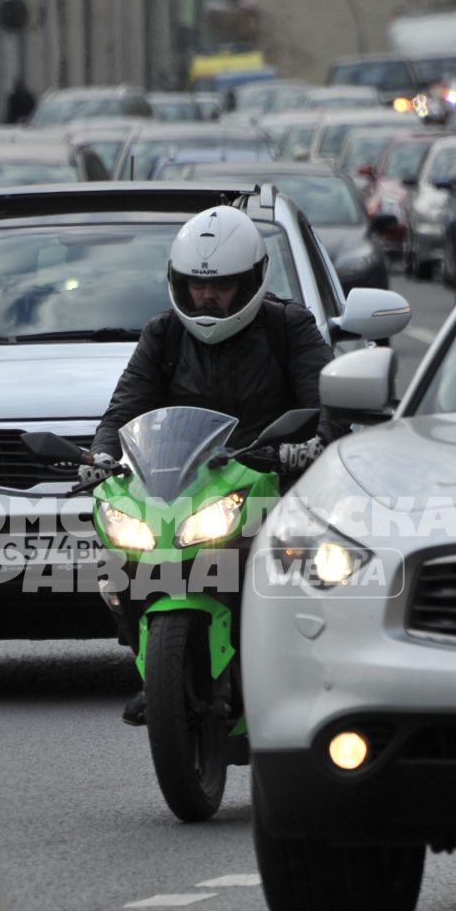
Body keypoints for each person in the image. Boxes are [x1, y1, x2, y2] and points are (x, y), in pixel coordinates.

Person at [87, 205, 335, 725]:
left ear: (251, 282)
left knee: (312, 569)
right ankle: (158, 674)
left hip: (272, 481)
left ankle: (319, 669)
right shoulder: (163, 335)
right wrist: (102, 455)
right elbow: (124, 409)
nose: (206, 297)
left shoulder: (288, 328)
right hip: (188, 483)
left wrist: (307, 447)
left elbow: (328, 409)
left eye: (221, 286)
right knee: (120, 557)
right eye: (196, 285)